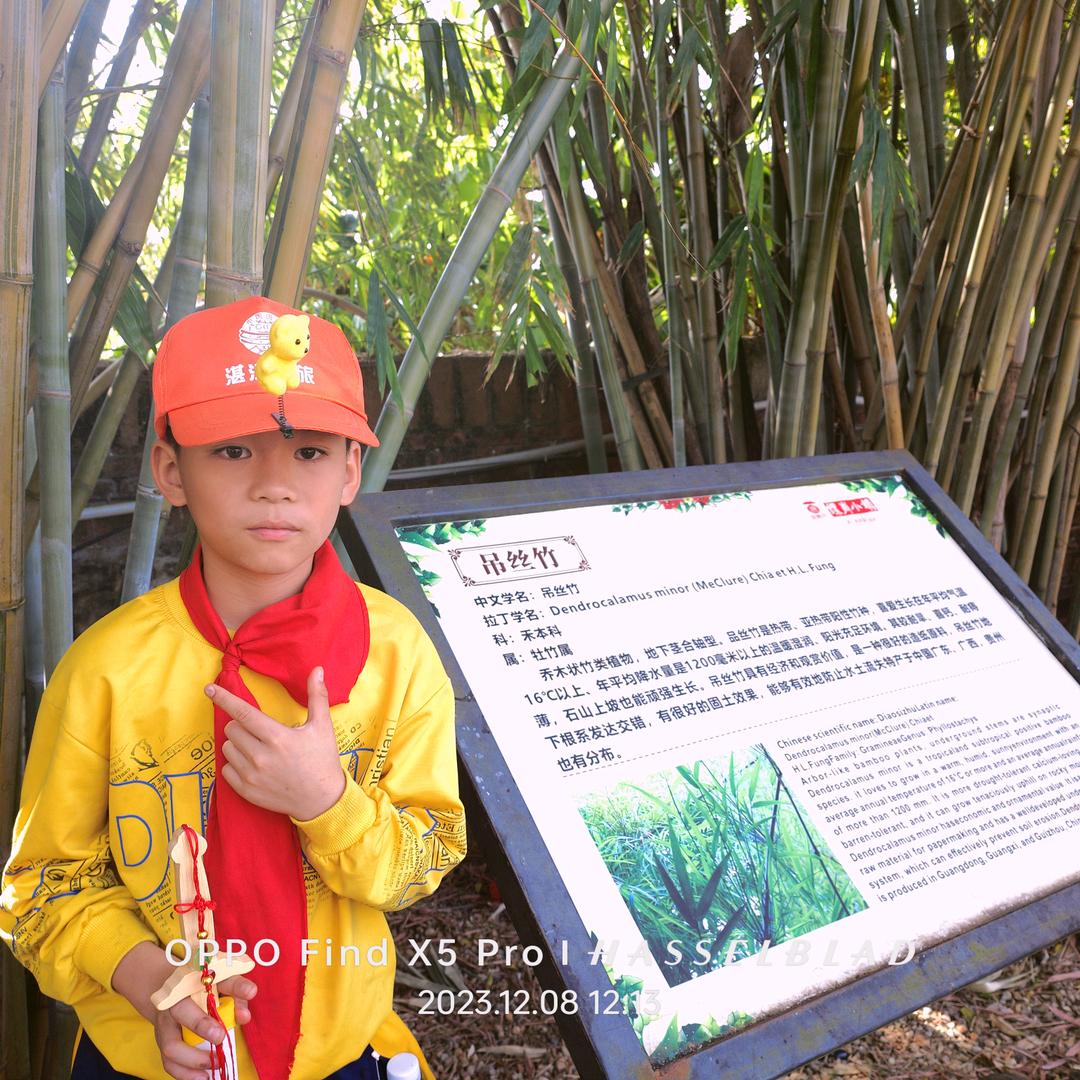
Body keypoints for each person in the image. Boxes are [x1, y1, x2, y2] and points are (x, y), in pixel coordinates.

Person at [1, 296, 467, 1080]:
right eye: (233, 452)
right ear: (170, 470)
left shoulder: (395, 655)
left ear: (352, 470)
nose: (275, 485)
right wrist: (150, 980)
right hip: (147, 1060)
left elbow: (428, 855)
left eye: (310, 452)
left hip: (337, 1058)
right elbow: (44, 889)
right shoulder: (107, 672)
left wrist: (329, 801)